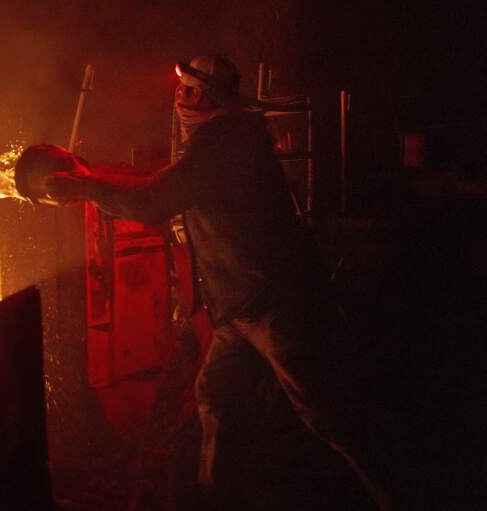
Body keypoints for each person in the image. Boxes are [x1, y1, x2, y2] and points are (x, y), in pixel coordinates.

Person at [21, 55, 389, 509]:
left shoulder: (226, 145)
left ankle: (392, 491)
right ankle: (216, 498)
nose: (180, 96)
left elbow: (156, 200)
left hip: (275, 301)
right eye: (181, 87)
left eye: (191, 89)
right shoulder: (215, 142)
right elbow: (155, 182)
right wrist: (89, 177)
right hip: (239, 309)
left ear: (212, 99)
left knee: (326, 413)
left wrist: (87, 189)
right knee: (216, 399)